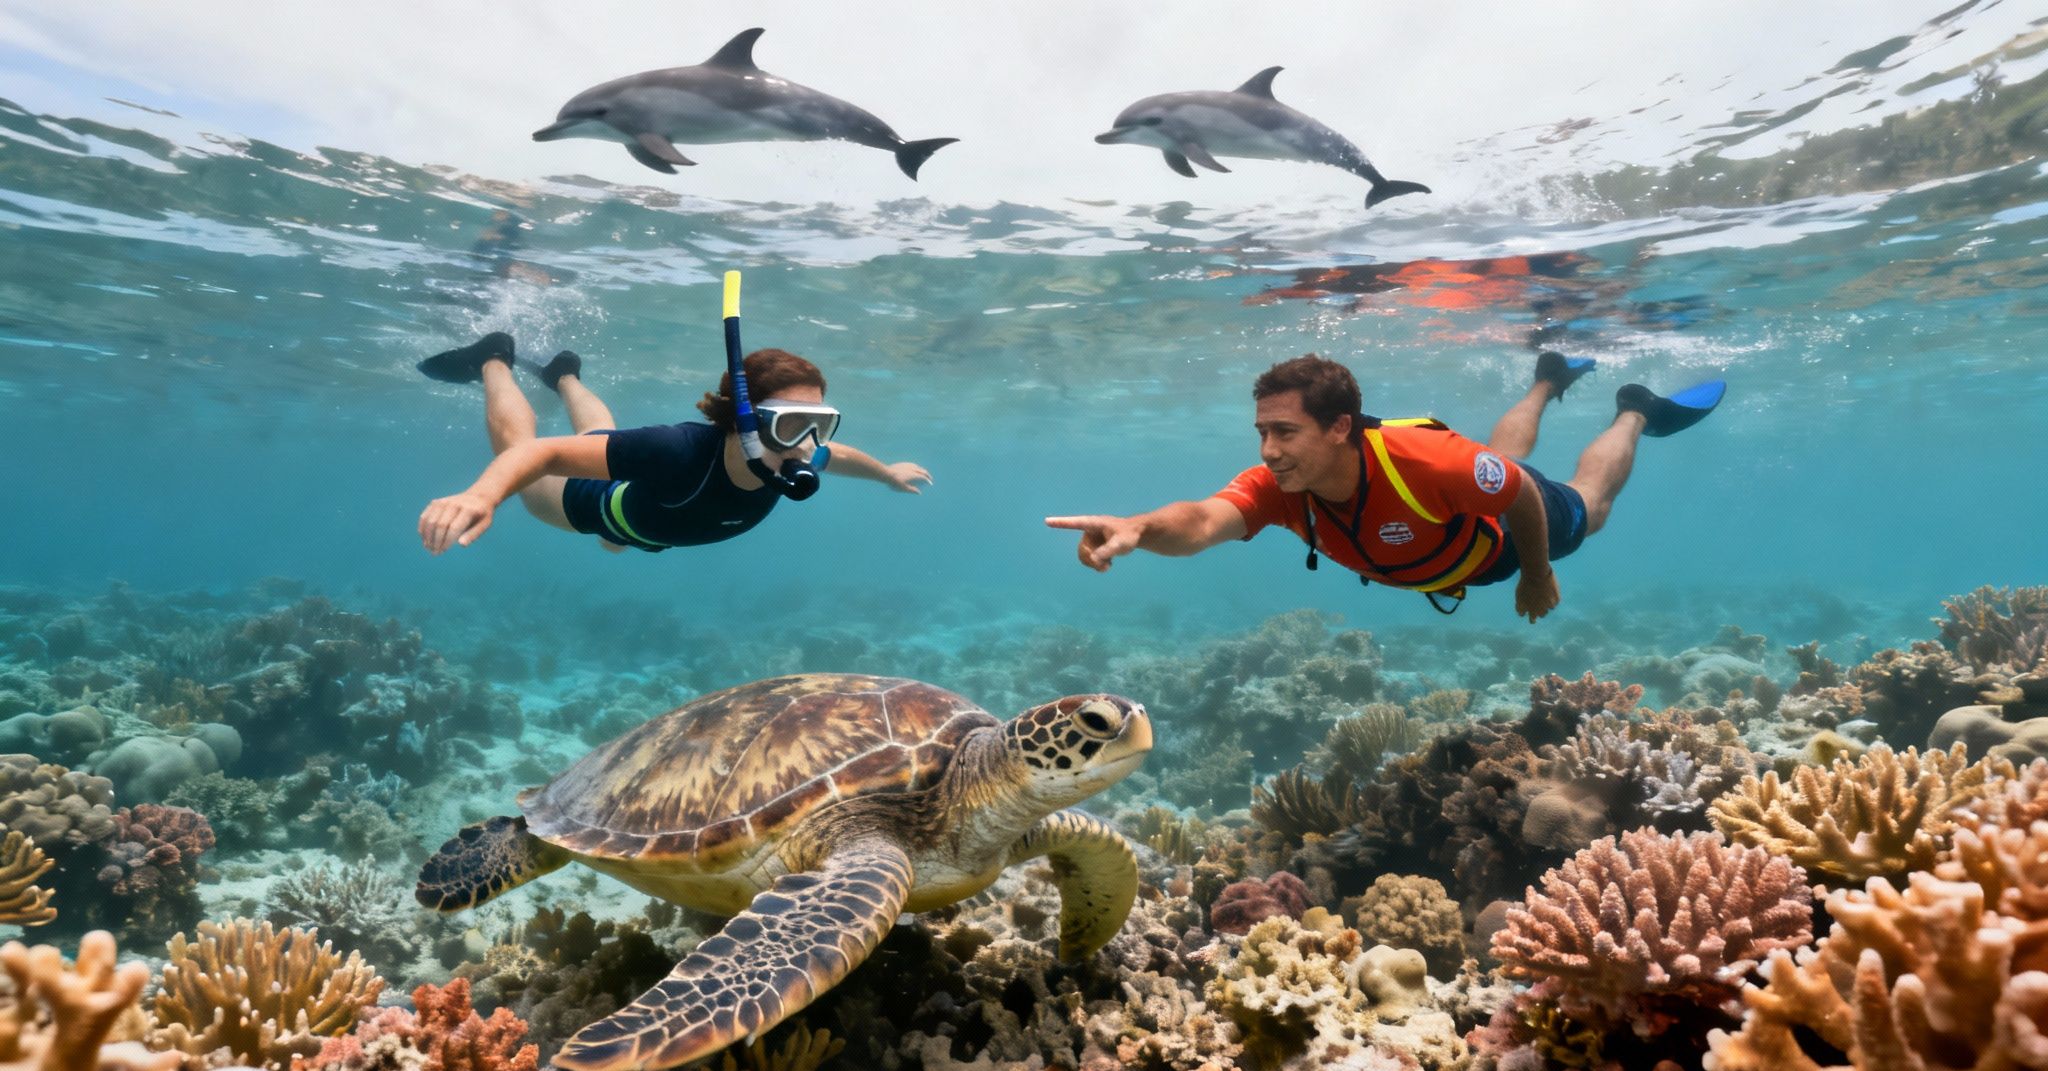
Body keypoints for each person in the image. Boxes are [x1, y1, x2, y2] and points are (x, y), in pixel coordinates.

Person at [1045, 352, 1723, 622]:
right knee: (1493, 461)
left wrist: (1536, 575)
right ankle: (1548, 378)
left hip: (1509, 539)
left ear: (1340, 426)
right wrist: (1136, 526)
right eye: (1261, 432)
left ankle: (1637, 408)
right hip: (1467, 507)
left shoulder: (1425, 463)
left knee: (1588, 505)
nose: (1268, 451)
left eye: (1285, 432)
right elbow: (1199, 521)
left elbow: (1515, 494)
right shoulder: (1280, 486)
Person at [415, 332, 930, 555]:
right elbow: (540, 456)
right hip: (587, 503)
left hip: (648, 522)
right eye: (791, 425)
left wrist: (886, 473)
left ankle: (564, 377)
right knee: (523, 449)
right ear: (741, 422)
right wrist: (483, 496)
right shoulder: (677, 451)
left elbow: (836, 456)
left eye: (819, 424)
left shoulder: (793, 454)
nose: (806, 446)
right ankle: (493, 358)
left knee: (602, 437)